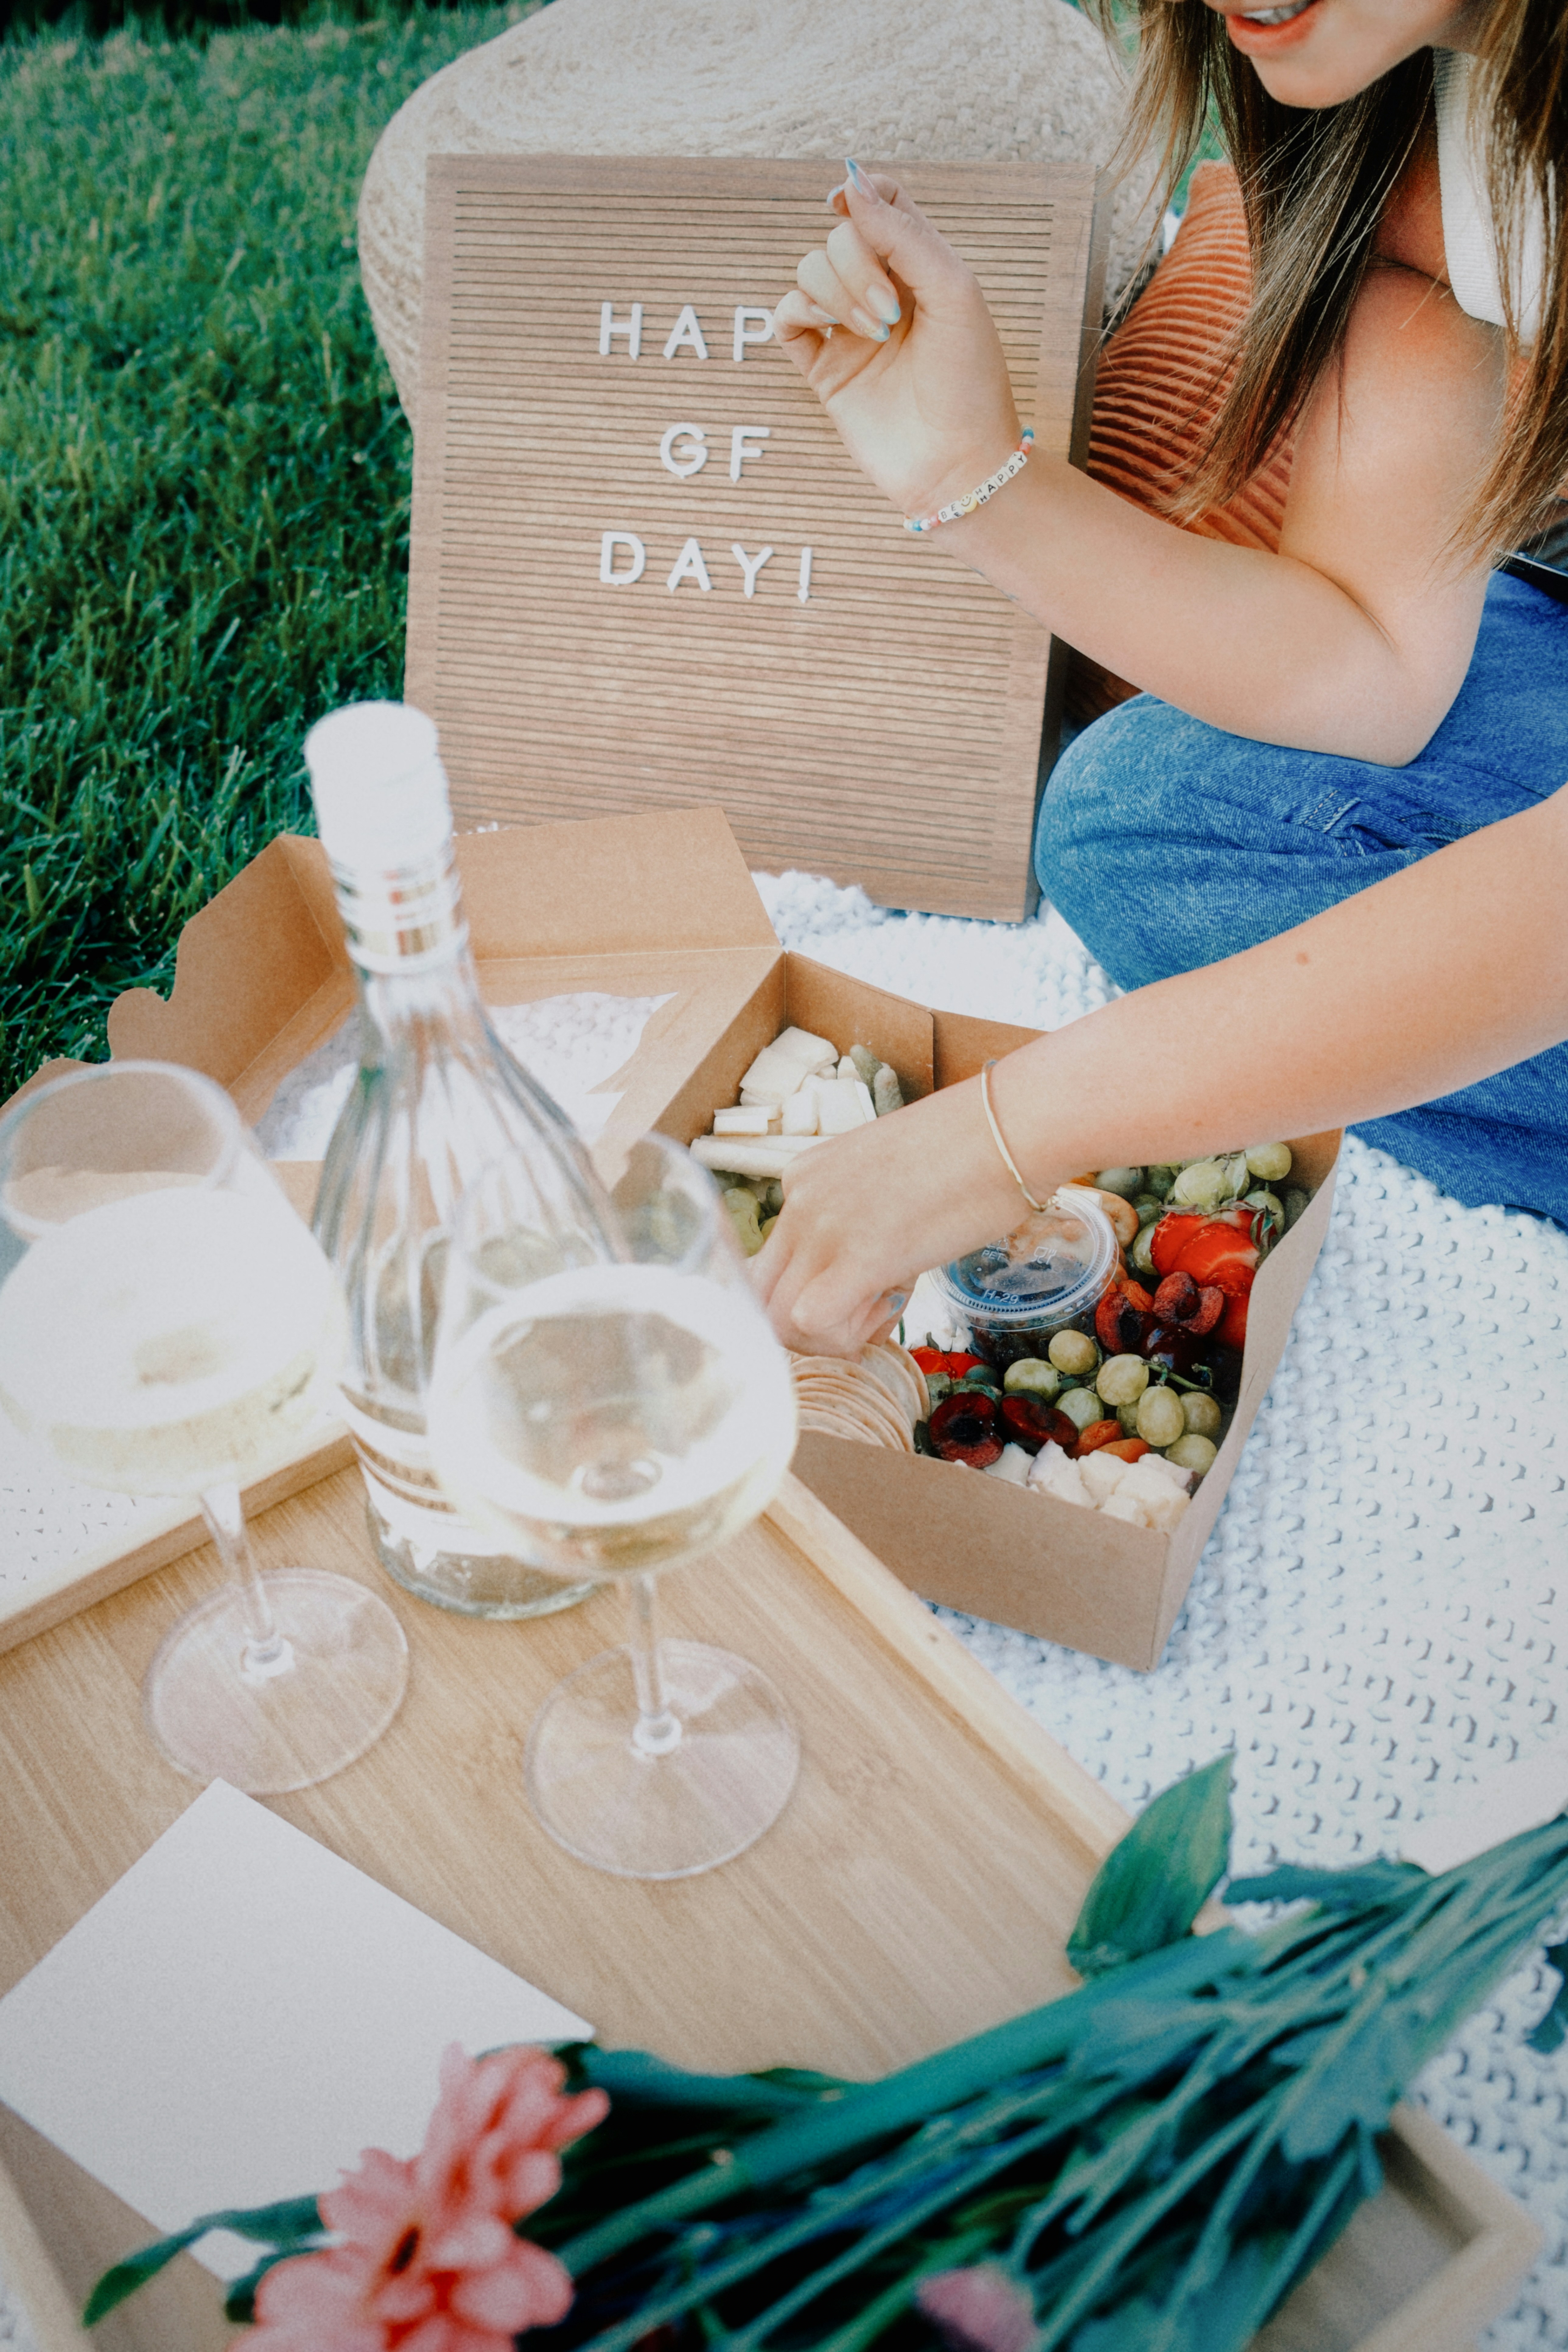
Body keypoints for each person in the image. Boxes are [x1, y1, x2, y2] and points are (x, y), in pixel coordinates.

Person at [755, 0, 1568, 1357]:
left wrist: (1011, 1130)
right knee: (1135, 819)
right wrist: (965, 475)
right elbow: (1368, 664)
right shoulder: (1424, 119)